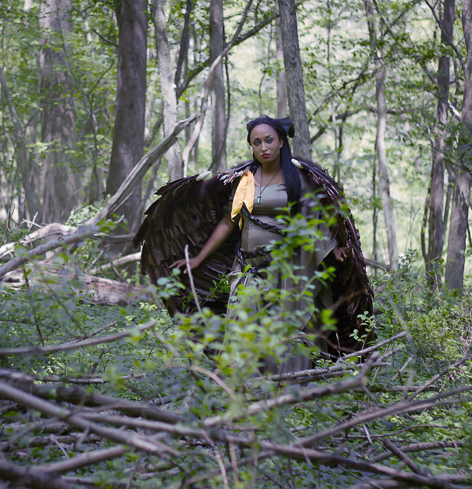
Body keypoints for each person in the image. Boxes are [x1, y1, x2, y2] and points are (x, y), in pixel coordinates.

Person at [133, 116, 373, 365]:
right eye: (256, 143)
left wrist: (335, 250)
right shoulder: (246, 179)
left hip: (288, 271)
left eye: (269, 140)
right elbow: (229, 222)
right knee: (242, 329)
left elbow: (316, 222)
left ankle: (292, 382)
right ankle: (245, 383)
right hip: (248, 268)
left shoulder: (299, 179)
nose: (263, 147)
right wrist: (198, 258)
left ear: (281, 142)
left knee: (286, 332)